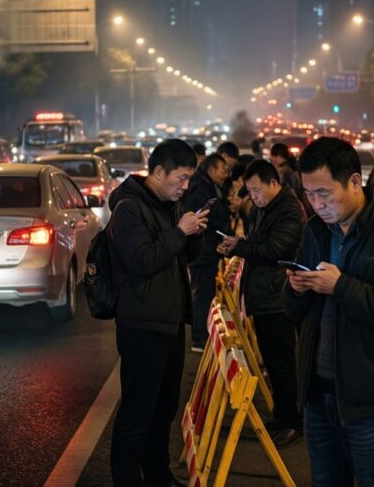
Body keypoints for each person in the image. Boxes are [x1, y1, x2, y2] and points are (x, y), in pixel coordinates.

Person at [284, 137, 374, 486]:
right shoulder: (315, 231)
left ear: (353, 181)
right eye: (309, 194)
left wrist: (340, 286)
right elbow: (293, 312)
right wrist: (295, 288)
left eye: (324, 193)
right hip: (318, 392)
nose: (316, 204)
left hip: (370, 398)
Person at [108, 139, 208, 487]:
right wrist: (180, 231)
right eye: (180, 178)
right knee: (138, 412)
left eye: (189, 180)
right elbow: (141, 261)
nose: (185, 186)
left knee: (164, 409)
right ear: (159, 172)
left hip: (168, 321)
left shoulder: (168, 204)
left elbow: (179, 256)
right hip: (142, 324)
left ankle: (157, 475)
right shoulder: (129, 209)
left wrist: (193, 234)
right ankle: (126, 479)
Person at [218, 159, 306, 447]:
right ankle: (281, 415)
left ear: (273, 183)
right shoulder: (263, 208)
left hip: (277, 296)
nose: (253, 196)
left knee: (282, 361)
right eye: (249, 191)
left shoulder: (289, 210)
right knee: (271, 359)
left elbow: (277, 248)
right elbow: (258, 241)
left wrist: (240, 246)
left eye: (256, 190)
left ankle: (293, 421)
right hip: (263, 295)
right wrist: (238, 241)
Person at [184, 153, 231, 351]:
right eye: (223, 170)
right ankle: (199, 338)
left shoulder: (207, 185)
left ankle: (201, 334)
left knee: (204, 291)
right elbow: (204, 216)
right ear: (211, 169)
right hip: (203, 249)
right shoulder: (201, 188)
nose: (225, 174)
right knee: (203, 293)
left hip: (206, 247)